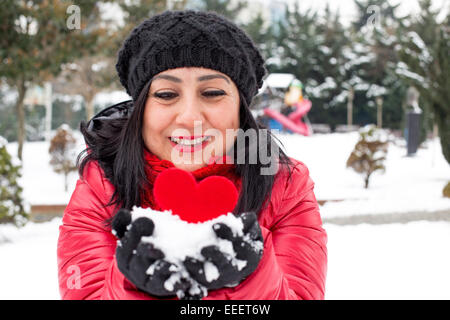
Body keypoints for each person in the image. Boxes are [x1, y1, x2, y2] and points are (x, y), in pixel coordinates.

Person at [57, 9, 327, 300]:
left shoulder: (285, 187)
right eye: (165, 95)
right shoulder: (101, 186)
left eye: (212, 93)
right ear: (141, 110)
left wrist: (250, 284)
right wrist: (134, 288)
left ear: (241, 109)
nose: (188, 117)